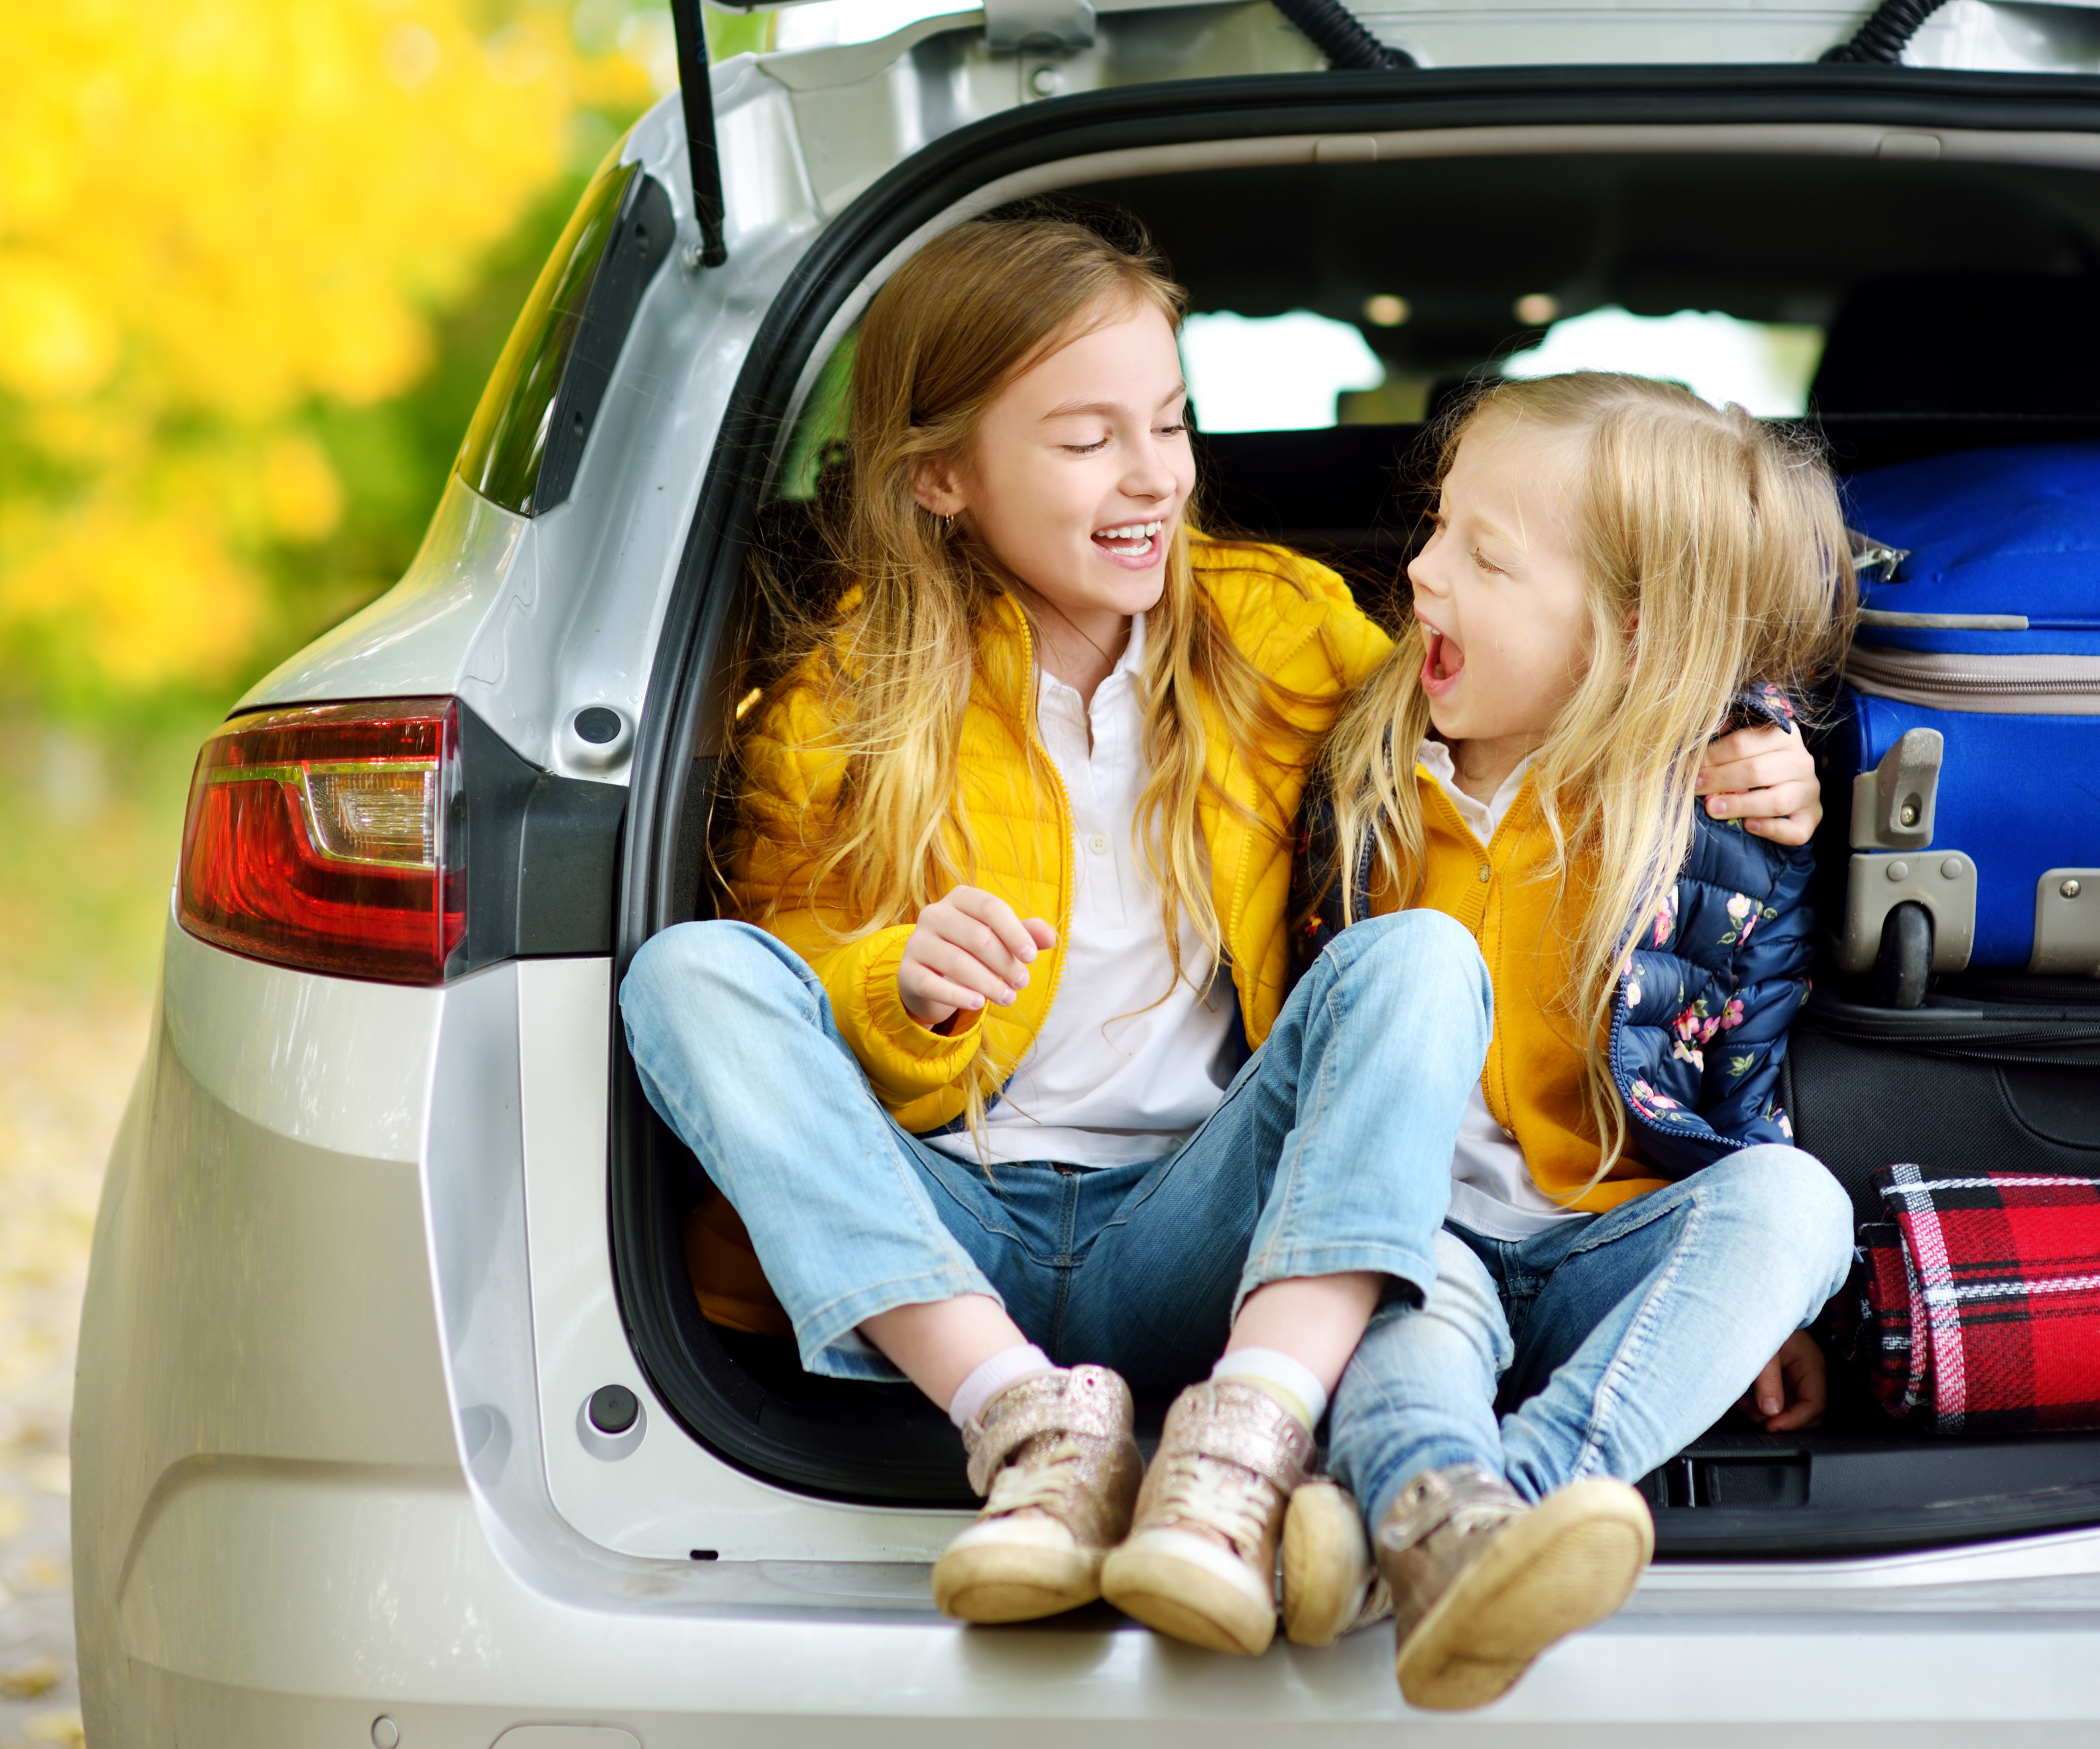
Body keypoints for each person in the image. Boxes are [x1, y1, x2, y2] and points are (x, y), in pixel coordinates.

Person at [617, 211, 1828, 1656]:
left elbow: (1532, 698)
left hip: (1204, 1218)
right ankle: (1028, 1432)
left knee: (1421, 965)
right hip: (944, 1225)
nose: (1152, 475)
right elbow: (789, 986)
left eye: (1174, 424)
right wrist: (898, 984)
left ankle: (1249, 1440)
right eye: (1086, 441)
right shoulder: (838, 703)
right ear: (941, 475)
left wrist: (1751, 745)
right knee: (687, 977)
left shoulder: (1283, 636)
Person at [1275, 371, 1861, 1709]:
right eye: (1435, 526)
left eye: (1483, 557)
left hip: (1615, 1232)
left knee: (1798, 1208)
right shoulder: (1367, 775)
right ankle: (1446, 1513)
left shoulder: (1722, 807)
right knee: (1392, 1302)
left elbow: (1739, 1062)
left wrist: (1747, 1302)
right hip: (1422, 1234)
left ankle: (1478, 1514)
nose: (1418, 571)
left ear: (1630, 637)